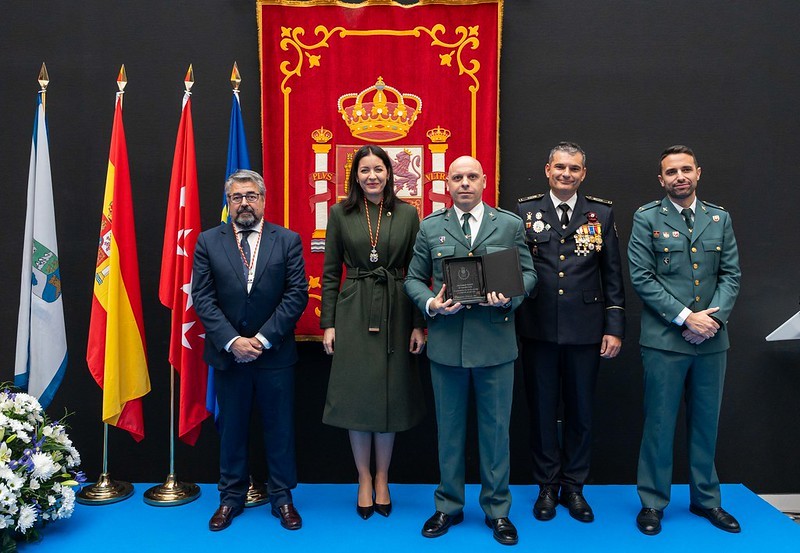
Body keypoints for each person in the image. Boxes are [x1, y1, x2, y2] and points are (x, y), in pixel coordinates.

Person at [405, 155, 537, 546]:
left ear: (484, 182)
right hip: (447, 346)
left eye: (472, 177)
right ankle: (448, 505)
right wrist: (431, 304)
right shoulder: (431, 227)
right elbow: (413, 278)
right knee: (449, 432)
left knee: (496, 433)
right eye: (457, 177)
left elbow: (529, 275)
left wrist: (508, 298)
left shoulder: (509, 224)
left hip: (496, 345)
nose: (465, 183)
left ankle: (497, 510)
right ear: (447, 184)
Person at [628, 145, 741, 536]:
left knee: (705, 424)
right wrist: (684, 317)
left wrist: (713, 318)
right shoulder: (646, 218)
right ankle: (653, 503)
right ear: (661, 179)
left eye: (686, 170)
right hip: (665, 340)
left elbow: (731, 276)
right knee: (659, 424)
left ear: (698, 173)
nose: (680, 177)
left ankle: (706, 500)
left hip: (711, 339)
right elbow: (641, 277)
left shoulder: (718, 218)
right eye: (671, 172)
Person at [192, 169, 308, 532]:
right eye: (237, 197)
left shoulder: (287, 240)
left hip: (273, 354)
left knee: (279, 428)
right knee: (232, 429)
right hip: (229, 354)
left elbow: (296, 295)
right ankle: (230, 498)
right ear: (228, 203)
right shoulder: (208, 241)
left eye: (251, 196)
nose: (244, 203)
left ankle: (283, 498)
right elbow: (203, 298)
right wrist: (233, 341)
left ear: (263, 199)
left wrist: (261, 340)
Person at [515, 142, 625, 523]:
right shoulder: (525, 212)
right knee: (543, 411)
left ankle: (574, 487)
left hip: (586, 329)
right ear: (547, 169)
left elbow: (613, 275)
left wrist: (614, 327)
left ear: (583, 174)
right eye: (559, 167)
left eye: (574, 169)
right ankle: (546, 486)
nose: (566, 174)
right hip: (538, 327)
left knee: (580, 412)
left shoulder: (602, 213)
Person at [320, 144, 426, 520]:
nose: (372, 176)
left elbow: (418, 274)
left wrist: (419, 324)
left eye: (378, 169)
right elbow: (331, 272)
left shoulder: (409, 214)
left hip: (397, 308)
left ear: (389, 172)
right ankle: (363, 477)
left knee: (390, 395)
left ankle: (384, 477)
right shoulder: (340, 213)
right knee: (359, 397)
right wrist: (328, 324)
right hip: (354, 309)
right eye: (364, 170)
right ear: (355, 175)